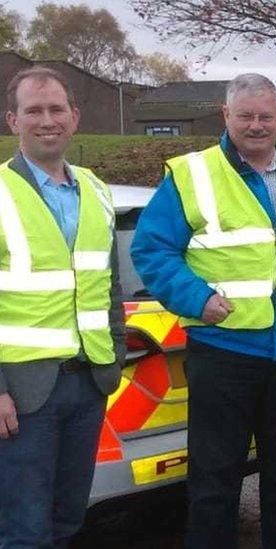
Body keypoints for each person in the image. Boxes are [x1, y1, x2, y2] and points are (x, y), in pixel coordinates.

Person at [130, 73, 276, 549]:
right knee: (215, 481)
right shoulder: (192, 173)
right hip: (223, 351)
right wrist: (196, 299)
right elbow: (152, 250)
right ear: (226, 116)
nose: (257, 126)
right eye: (246, 116)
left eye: (266, 117)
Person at [0, 66, 125, 547]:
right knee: (24, 531)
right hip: (23, 394)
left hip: (87, 384)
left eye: (56, 109)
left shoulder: (95, 189)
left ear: (74, 117)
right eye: (34, 110)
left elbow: (109, 284)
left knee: (68, 521)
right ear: (13, 120)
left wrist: (111, 357)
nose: (46, 120)